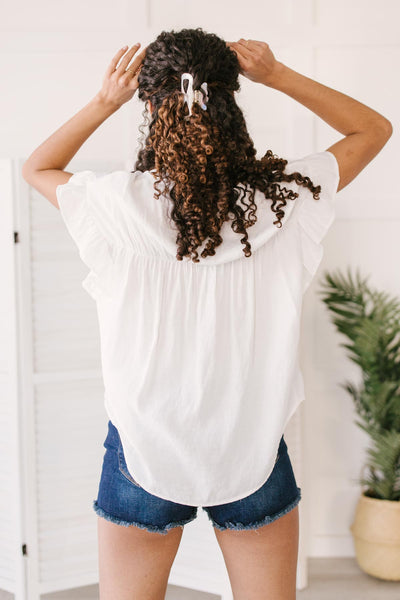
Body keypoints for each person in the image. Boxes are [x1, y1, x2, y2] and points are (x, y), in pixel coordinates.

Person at [22, 27, 392, 600]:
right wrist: (279, 74)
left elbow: (37, 168)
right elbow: (374, 129)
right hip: (253, 447)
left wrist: (104, 101)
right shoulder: (287, 199)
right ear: (231, 101)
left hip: (143, 448)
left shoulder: (111, 205)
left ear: (148, 105)